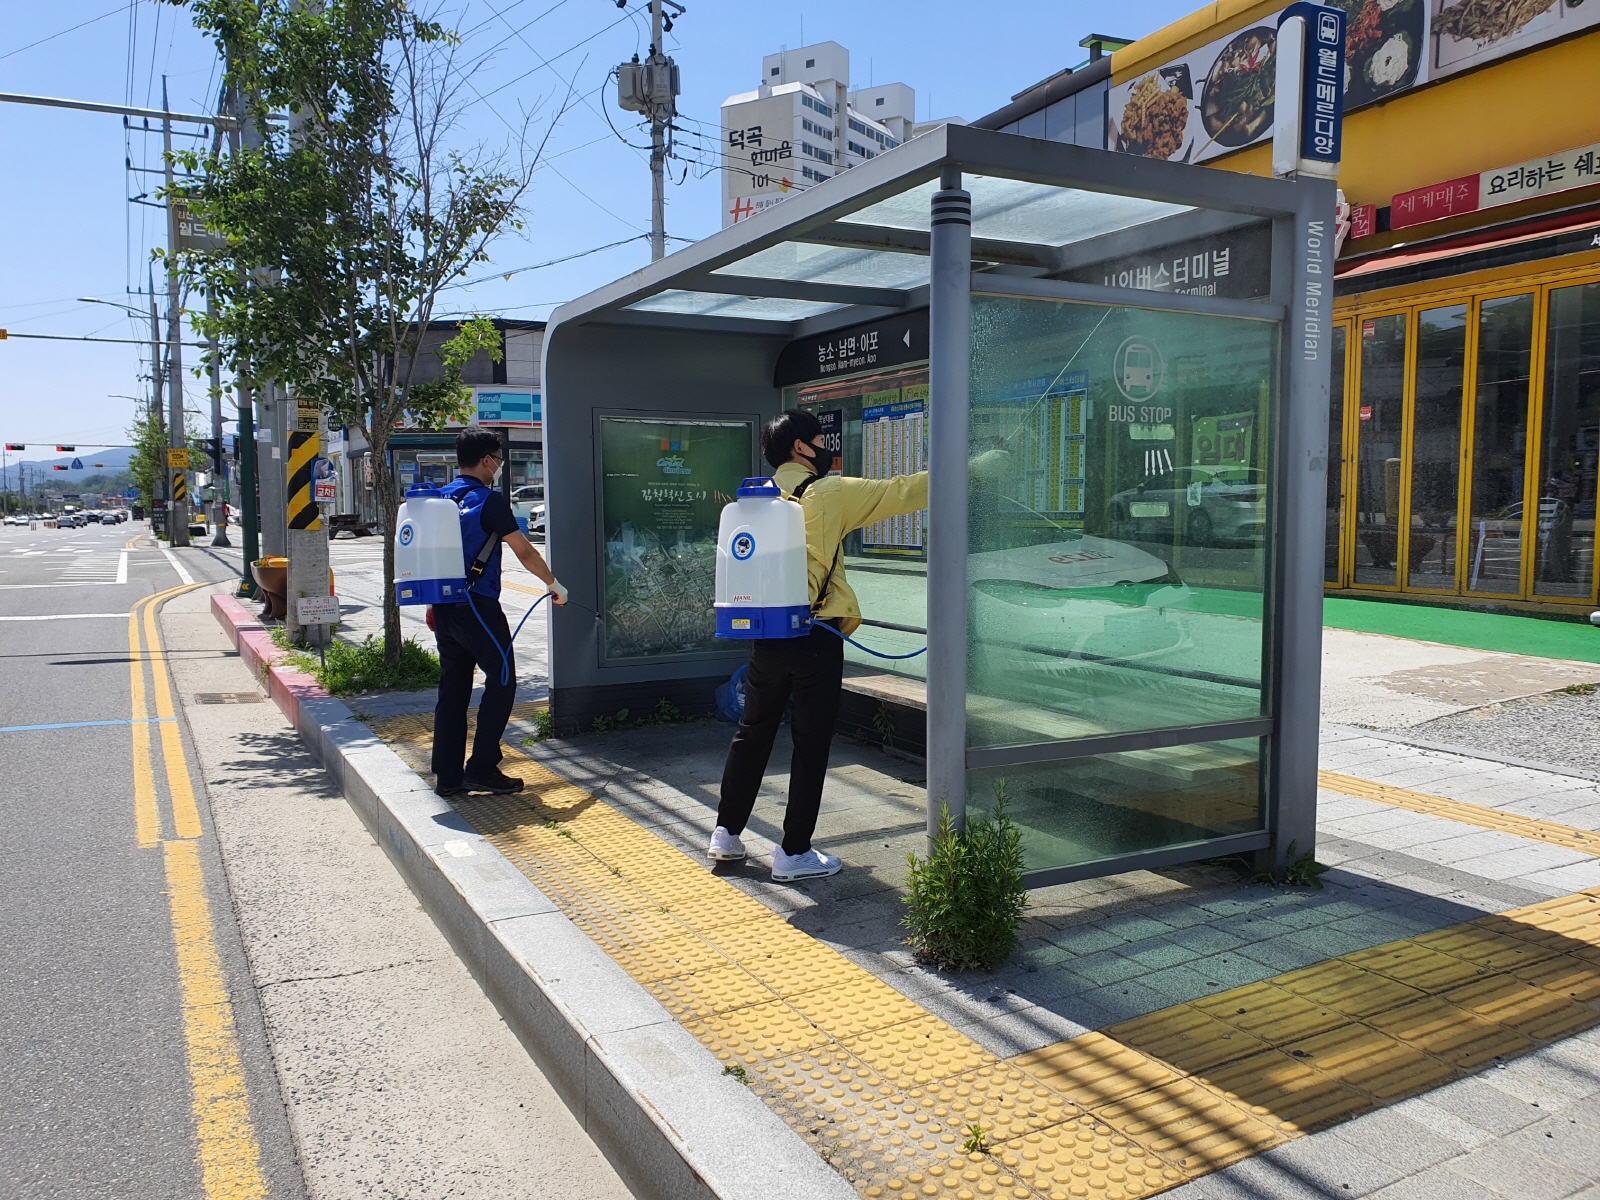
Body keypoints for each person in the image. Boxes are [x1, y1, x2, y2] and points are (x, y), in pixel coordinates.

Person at [710, 409, 928, 882]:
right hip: (816, 635)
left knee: (753, 732)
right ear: (800, 448)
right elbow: (903, 491)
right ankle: (793, 852)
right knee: (810, 744)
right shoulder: (828, 492)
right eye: (821, 441)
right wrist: (975, 467)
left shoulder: (756, 500)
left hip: (767, 634)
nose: (826, 448)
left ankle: (726, 834)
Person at [431, 427, 566, 798]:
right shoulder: (488, 501)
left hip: (443, 609)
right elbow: (525, 551)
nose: (499, 466)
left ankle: (447, 777)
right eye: (498, 460)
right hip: (478, 607)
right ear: (486, 460)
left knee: (453, 689)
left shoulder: (438, 499)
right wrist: (554, 584)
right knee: (502, 681)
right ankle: (482, 767)